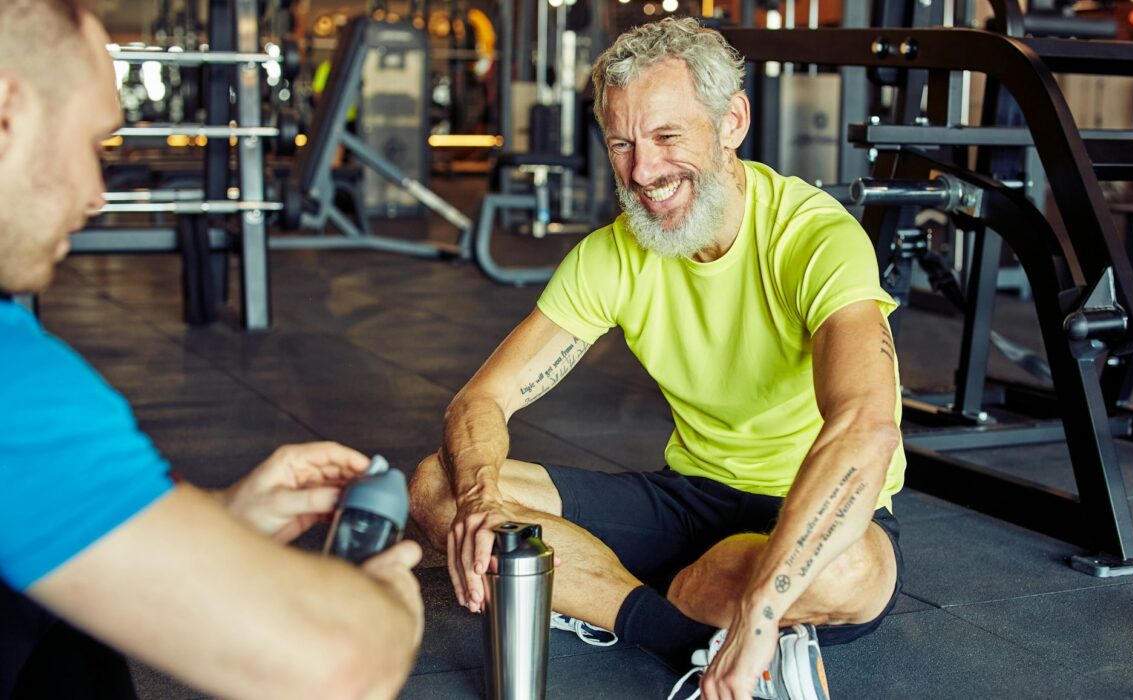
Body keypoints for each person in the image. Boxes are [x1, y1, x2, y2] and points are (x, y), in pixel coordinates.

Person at [410, 15, 907, 700]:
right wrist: (478, 501)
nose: (643, 171)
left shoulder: (814, 238)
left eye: (668, 136)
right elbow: (481, 400)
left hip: (808, 505)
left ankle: (629, 594)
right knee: (437, 487)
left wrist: (761, 609)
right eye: (622, 143)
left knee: (851, 574)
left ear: (731, 121)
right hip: (686, 499)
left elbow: (865, 427)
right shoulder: (613, 254)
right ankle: (678, 631)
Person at [0, 2, 423, 698]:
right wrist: (381, 602)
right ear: (10, 113)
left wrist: (220, 524)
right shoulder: (15, 384)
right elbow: (338, 663)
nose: (98, 194)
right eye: (92, 145)